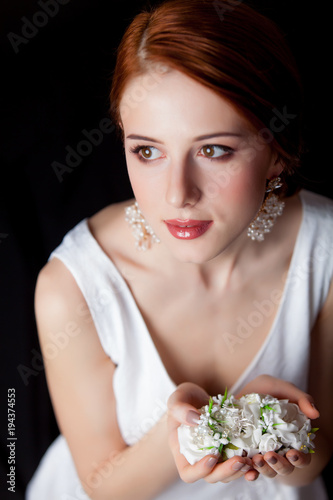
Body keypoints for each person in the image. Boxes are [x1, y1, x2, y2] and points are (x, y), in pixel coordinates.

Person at [26, 0, 333, 499]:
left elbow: (313, 462)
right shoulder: (73, 286)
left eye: (214, 150)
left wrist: (276, 423)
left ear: (277, 151)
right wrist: (195, 427)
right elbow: (105, 489)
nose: (176, 194)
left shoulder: (324, 250)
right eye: (147, 151)